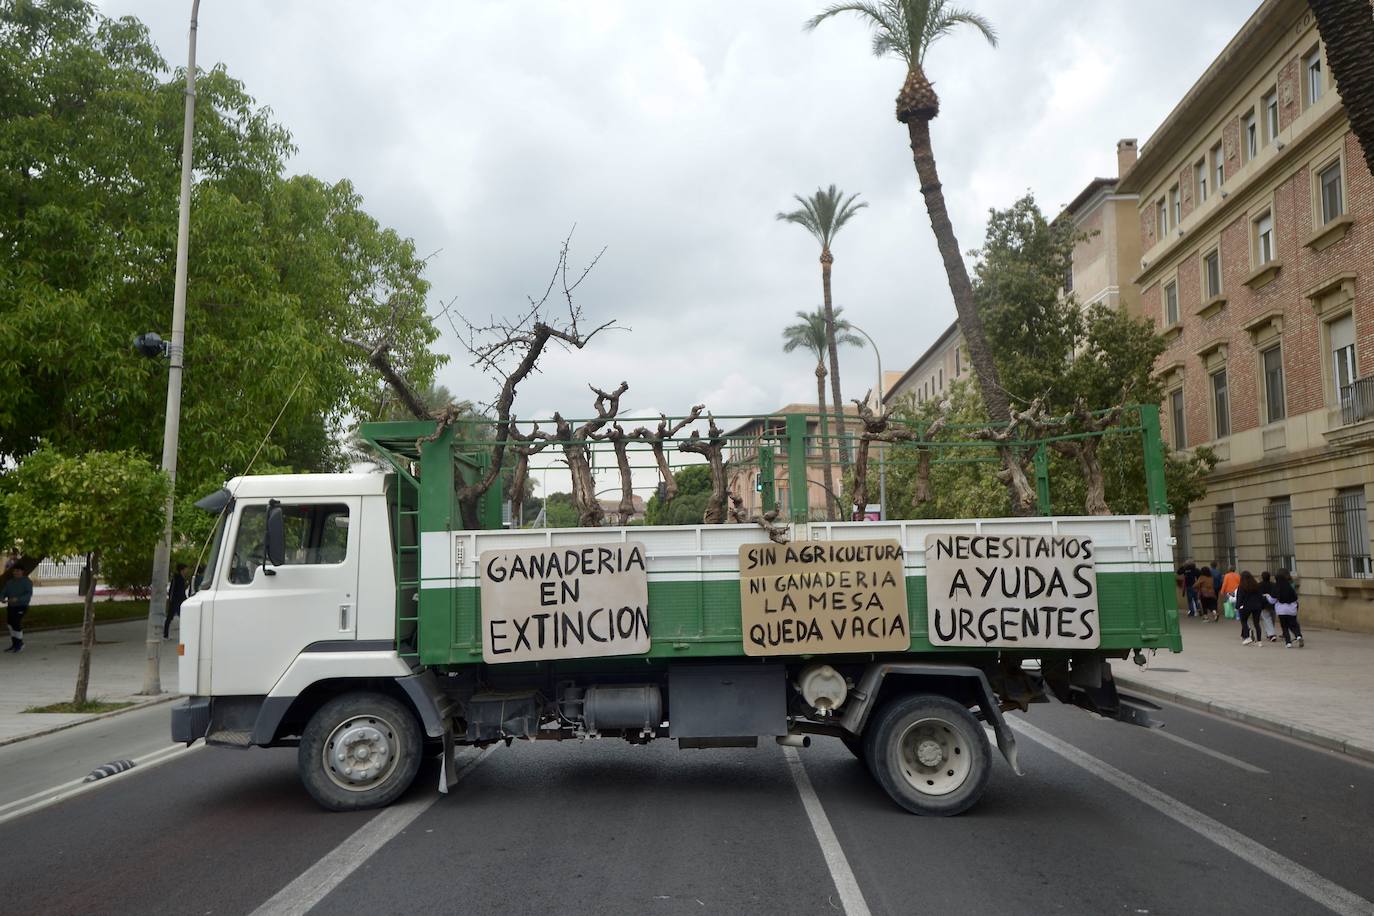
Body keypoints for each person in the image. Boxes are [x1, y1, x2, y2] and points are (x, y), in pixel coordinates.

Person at [1, 565, 32, 653]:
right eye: (14, 571)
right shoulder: (10, 582)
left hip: (21, 606)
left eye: (18, 571)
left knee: (16, 623)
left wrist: (18, 599)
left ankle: (20, 644)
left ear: (22, 572)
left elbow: (28, 594)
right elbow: (4, 592)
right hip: (11, 606)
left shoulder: (27, 582)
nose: (16, 573)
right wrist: (2, 598)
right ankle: (14, 644)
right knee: (10, 625)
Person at [1271, 569, 1304, 648]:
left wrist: (1268, 597)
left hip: (1281, 610)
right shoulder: (1289, 586)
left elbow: (1273, 599)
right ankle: (1298, 635)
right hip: (1292, 609)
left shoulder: (1276, 587)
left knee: (1284, 626)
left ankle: (1288, 642)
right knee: (1293, 624)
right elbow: (1295, 597)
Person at [1235, 571, 1268, 646]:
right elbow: (1260, 596)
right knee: (1256, 623)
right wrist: (1262, 605)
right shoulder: (1256, 585)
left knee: (1244, 621)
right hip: (1257, 606)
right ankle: (1259, 641)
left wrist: (1237, 606)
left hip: (1247, 606)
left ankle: (1247, 637)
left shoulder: (1242, 586)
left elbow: (1240, 598)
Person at [164, 563, 188, 640]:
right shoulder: (176, 578)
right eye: (185, 569)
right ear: (182, 570)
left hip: (180, 601)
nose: (186, 571)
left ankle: (166, 635)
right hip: (175, 601)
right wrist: (171, 600)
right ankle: (165, 635)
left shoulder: (182, 578)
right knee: (170, 617)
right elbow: (172, 590)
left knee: (183, 617)